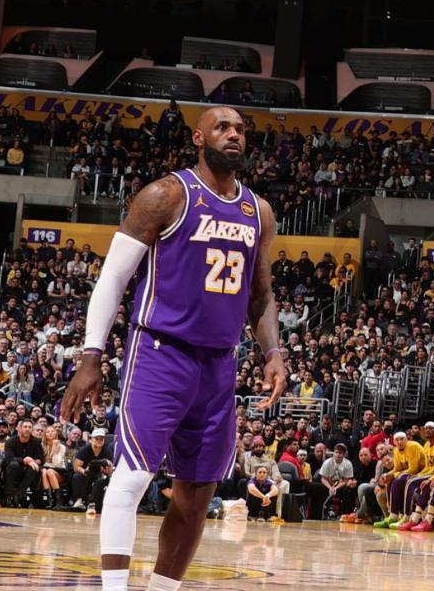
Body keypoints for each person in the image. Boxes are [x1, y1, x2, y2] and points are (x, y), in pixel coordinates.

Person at [60, 106, 288, 591]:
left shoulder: (259, 211)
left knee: (198, 492)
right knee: (132, 476)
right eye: (222, 127)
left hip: (219, 363)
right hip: (160, 353)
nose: (233, 135)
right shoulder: (165, 195)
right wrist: (91, 355)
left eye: (240, 129)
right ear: (198, 138)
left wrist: (273, 353)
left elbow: (262, 296)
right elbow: (113, 278)